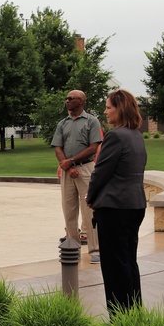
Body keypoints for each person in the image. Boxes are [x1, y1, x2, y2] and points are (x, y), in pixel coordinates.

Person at [85, 89, 148, 316]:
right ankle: (133, 312)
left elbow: (100, 173)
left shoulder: (116, 136)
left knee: (113, 266)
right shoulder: (137, 135)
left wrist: (90, 198)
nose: (105, 111)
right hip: (135, 205)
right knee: (128, 261)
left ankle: (120, 318)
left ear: (120, 109)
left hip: (115, 208)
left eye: (109, 107)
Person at [52, 89, 103, 262]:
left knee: (89, 209)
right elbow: (58, 147)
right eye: (66, 98)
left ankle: (95, 249)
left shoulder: (91, 121)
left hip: (86, 169)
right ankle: (72, 246)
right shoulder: (63, 123)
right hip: (68, 171)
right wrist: (66, 166)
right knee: (69, 210)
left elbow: (94, 146)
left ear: (81, 101)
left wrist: (72, 161)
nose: (67, 101)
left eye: (70, 98)